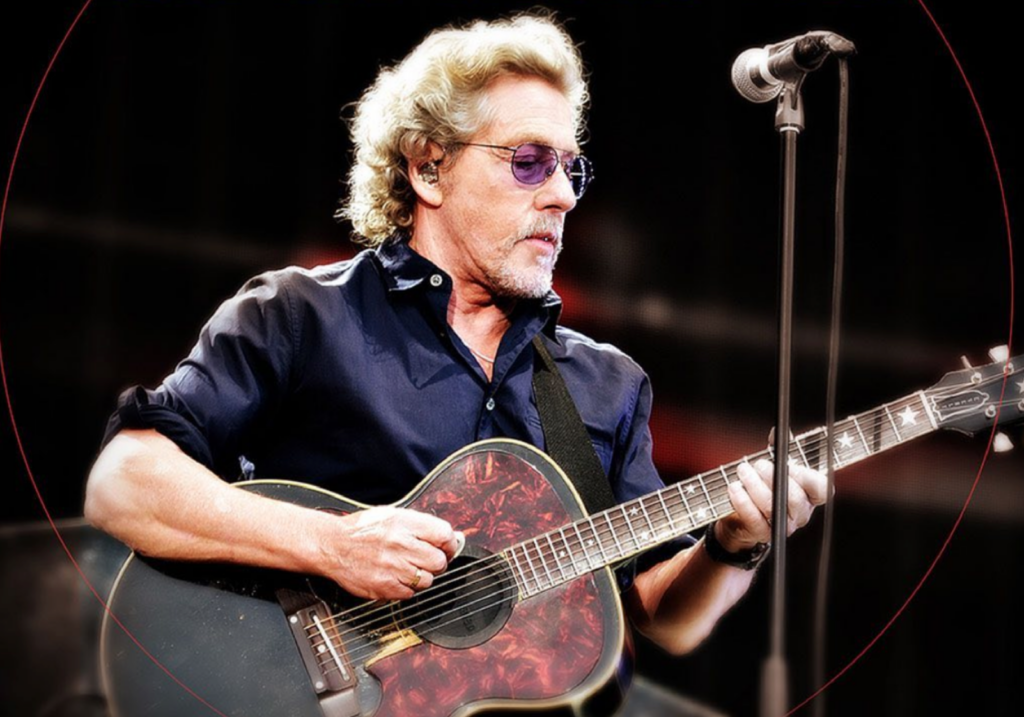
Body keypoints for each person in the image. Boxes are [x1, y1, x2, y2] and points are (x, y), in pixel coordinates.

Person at [85, 13, 826, 658]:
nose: (564, 193)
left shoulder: (608, 385)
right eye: (530, 161)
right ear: (429, 166)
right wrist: (332, 545)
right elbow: (123, 484)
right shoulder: (300, 314)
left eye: (572, 166)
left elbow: (658, 616)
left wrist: (736, 543)